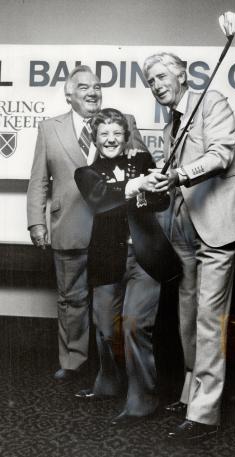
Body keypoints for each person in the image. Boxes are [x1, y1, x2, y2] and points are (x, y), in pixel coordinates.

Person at [142, 52, 235, 440]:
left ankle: (205, 415)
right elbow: (175, 177)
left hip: (216, 225)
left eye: (161, 76)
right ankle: (190, 395)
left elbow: (221, 154)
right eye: (150, 81)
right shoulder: (170, 123)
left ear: (182, 75)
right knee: (188, 316)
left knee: (209, 318)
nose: (157, 85)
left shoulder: (212, 101)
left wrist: (178, 174)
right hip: (183, 228)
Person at [26, 65, 148, 382]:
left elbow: (144, 169)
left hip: (118, 230)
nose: (92, 92)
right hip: (70, 225)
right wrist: (36, 222)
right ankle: (73, 361)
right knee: (72, 299)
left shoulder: (123, 123)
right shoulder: (48, 129)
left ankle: (113, 366)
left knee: (114, 302)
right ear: (69, 94)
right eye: (83, 87)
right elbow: (39, 180)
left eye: (96, 86)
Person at [74, 108, 181, 425]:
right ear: (95, 139)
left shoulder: (143, 164)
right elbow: (101, 199)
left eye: (116, 134)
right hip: (107, 260)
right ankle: (108, 383)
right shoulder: (86, 173)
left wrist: (154, 187)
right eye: (104, 134)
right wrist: (135, 187)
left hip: (146, 258)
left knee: (135, 325)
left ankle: (142, 401)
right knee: (105, 328)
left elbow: (161, 202)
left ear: (125, 138)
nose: (110, 139)